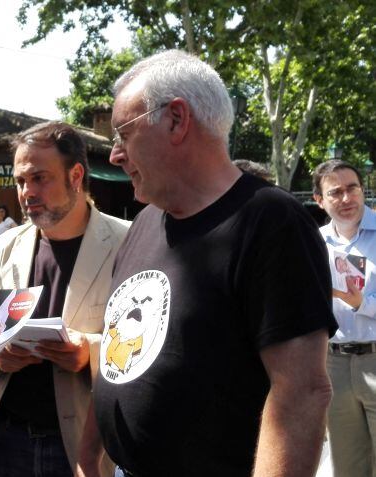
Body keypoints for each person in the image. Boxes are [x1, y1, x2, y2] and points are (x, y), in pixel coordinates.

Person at [87, 49, 336, 477]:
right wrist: (87, 455)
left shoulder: (272, 223)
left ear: (177, 120)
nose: (115, 155)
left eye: (123, 134)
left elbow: (301, 394)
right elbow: (117, 358)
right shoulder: (145, 222)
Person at [0, 121, 130, 477]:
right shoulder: (4, 247)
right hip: (5, 438)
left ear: (75, 175)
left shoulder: (129, 243)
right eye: (20, 181)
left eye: (39, 178)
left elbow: (147, 345)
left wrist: (87, 352)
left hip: (81, 446)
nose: (27, 192)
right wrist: (0, 354)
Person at [313, 159, 376, 476]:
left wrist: (361, 302)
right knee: (346, 465)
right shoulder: (313, 243)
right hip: (333, 364)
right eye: (335, 192)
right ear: (320, 201)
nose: (347, 198)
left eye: (352, 188)